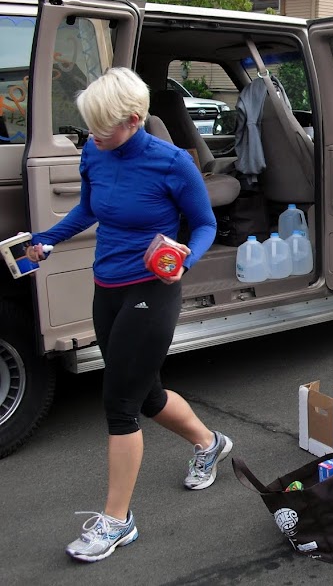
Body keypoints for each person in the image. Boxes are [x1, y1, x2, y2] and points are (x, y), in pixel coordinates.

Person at [26, 68, 232, 562]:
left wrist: (184, 259)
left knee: (120, 402)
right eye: (89, 127)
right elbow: (89, 209)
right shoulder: (95, 152)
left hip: (153, 290)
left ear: (134, 120)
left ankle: (118, 522)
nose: (92, 136)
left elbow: (205, 224)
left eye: (102, 127)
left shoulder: (172, 162)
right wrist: (48, 239)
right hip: (107, 288)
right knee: (148, 393)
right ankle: (210, 443)